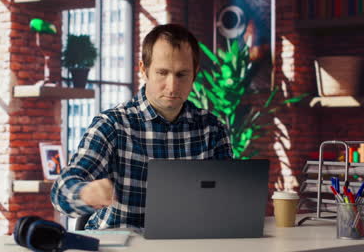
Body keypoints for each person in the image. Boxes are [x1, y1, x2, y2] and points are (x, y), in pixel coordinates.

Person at [51, 24, 233, 230]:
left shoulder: (212, 129)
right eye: (162, 73)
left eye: (182, 74)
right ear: (143, 70)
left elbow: (227, 202)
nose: (172, 86)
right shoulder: (112, 125)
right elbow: (60, 193)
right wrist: (84, 194)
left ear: (195, 74)